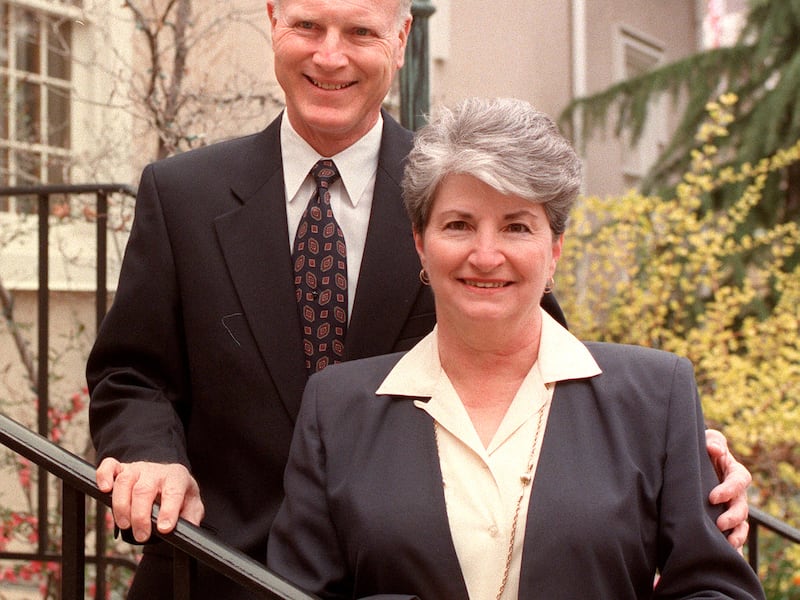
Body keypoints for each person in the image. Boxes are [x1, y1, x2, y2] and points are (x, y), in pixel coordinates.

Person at [87, 0, 750, 597]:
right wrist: (151, 452)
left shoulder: (464, 186)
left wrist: (684, 469)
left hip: (402, 568)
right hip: (214, 568)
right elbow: (131, 369)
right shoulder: (181, 194)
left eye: (360, 32)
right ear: (273, 23)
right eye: (308, 27)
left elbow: (539, 368)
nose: (330, 54)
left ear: (402, 39)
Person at [266, 97, 765, 599]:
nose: (486, 256)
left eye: (516, 226)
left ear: (553, 250)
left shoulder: (656, 396)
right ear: (421, 242)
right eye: (458, 224)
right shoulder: (335, 409)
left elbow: (716, 590)